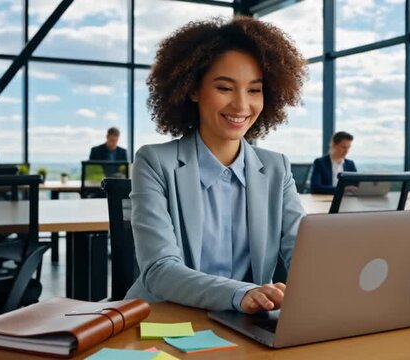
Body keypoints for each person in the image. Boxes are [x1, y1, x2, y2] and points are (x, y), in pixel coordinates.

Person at [125, 17, 307, 313]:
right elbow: (159, 270)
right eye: (225, 88)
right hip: (167, 319)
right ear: (193, 89)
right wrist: (242, 294)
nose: (241, 106)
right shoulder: (155, 162)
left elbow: (304, 252)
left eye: (254, 90)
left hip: (246, 325)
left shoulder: (277, 168)